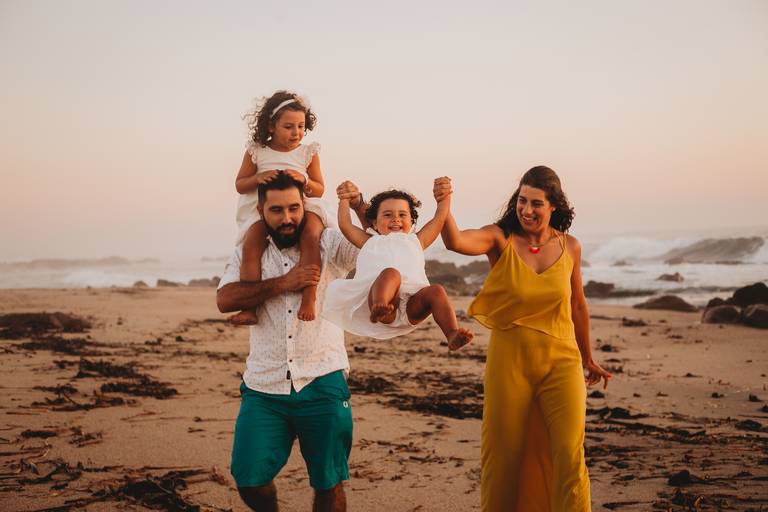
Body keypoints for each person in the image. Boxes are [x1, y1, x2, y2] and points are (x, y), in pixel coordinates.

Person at [439, 167, 612, 511]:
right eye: (522, 201)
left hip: (562, 361)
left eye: (536, 203)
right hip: (510, 363)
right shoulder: (499, 239)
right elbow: (455, 241)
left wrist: (587, 357)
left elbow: (578, 304)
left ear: (553, 207)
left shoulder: (570, 246)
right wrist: (444, 204)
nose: (527, 210)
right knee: (503, 455)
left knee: (569, 453)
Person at [216, 173, 366, 512]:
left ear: (306, 206)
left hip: (323, 378)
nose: (287, 218)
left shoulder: (328, 242)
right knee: (249, 480)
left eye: (295, 208)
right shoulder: (248, 251)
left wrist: (359, 206)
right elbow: (225, 299)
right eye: (277, 210)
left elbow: (371, 244)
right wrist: (284, 282)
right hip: (263, 385)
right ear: (261, 210)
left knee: (328, 483)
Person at [323, 179, 473, 350]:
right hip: (385, 304)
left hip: (412, 305)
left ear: (412, 220)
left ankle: (452, 332)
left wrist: (444, 197)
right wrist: (344, 199)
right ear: (374, 223)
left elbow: (439, 219)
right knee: (391, 273)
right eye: (387, 215)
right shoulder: (369, 240)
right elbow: (345, 225)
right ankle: (380, 306)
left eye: (402, 215)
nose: (395, 219)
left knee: (437, 291)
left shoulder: (417, 240)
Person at [231, 90, 328, 325]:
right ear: (271, 126)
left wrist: (304, 180)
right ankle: (250, 307)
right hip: (267, 210)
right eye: (288, 126)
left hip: (304, 206)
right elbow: (240, 185)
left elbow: (320, 188)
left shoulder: (308, 152)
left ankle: (309, 295)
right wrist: (258, 178)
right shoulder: (257, 152)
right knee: (251, 244)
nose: (296, 132)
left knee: (311, 237)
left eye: (301, 126)